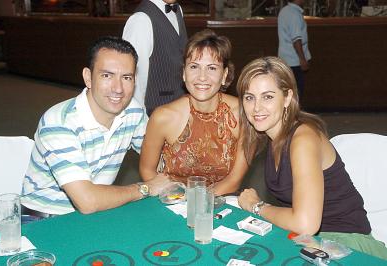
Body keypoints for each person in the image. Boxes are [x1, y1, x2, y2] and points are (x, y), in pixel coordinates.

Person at [236, 56, 387, 259]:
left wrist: (257, 206)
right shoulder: (272, 138)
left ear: (287, 97)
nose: (256, 107)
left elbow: (306, 223)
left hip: (349, 245)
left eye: (268, 97)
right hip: (312, 241)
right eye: (249, 97)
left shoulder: (303, 139)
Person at [21, 36, 170, 217]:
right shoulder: (59, 122)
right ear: (88, 78)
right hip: (43, 219)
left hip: (96, 214)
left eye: (126, 77)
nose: (118, 88)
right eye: (107, 75)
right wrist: (145, 188)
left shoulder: (133, 112)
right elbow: (87, 201)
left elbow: (162, 159)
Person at [139, 29, 249, 195]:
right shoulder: (163, 117)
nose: (202, 77)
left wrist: (198, 205)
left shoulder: (243, 115)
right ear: (184, 73)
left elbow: (234, 180)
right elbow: (147, 170)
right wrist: (175, 199)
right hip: (172, 201)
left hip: (222, 202)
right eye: (194, 67)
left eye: (212, 68)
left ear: (225, 74)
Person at [122, 0, 188, 116]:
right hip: (154, 112)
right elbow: (133, 77)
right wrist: (139, 121)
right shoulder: (140, 20)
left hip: (179, 107)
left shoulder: (178, 10)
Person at [277, 0, 311, 100]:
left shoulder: (284, 11)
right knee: (296, 92)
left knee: (288, 91)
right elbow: (296, 39)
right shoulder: (294, 14)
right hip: (294, 61)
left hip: (286, 58)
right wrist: (302, 59)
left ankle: (289, 114)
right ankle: (294, 114)